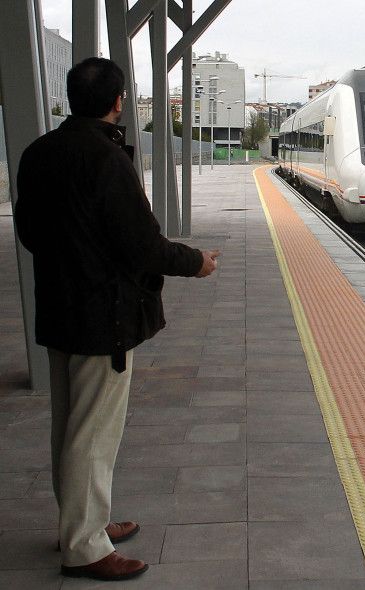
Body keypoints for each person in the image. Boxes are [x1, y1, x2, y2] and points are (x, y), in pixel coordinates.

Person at [14, 57, 220, 582]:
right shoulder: (106, 160)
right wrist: (196, 263)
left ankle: (84, 524)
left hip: (59, 308)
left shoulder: (39, 153)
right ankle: (85, 546)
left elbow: (30, 233)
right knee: (92, 435)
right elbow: (142, 245)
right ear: (117, 101)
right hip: (101, 317)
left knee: (69, 425)